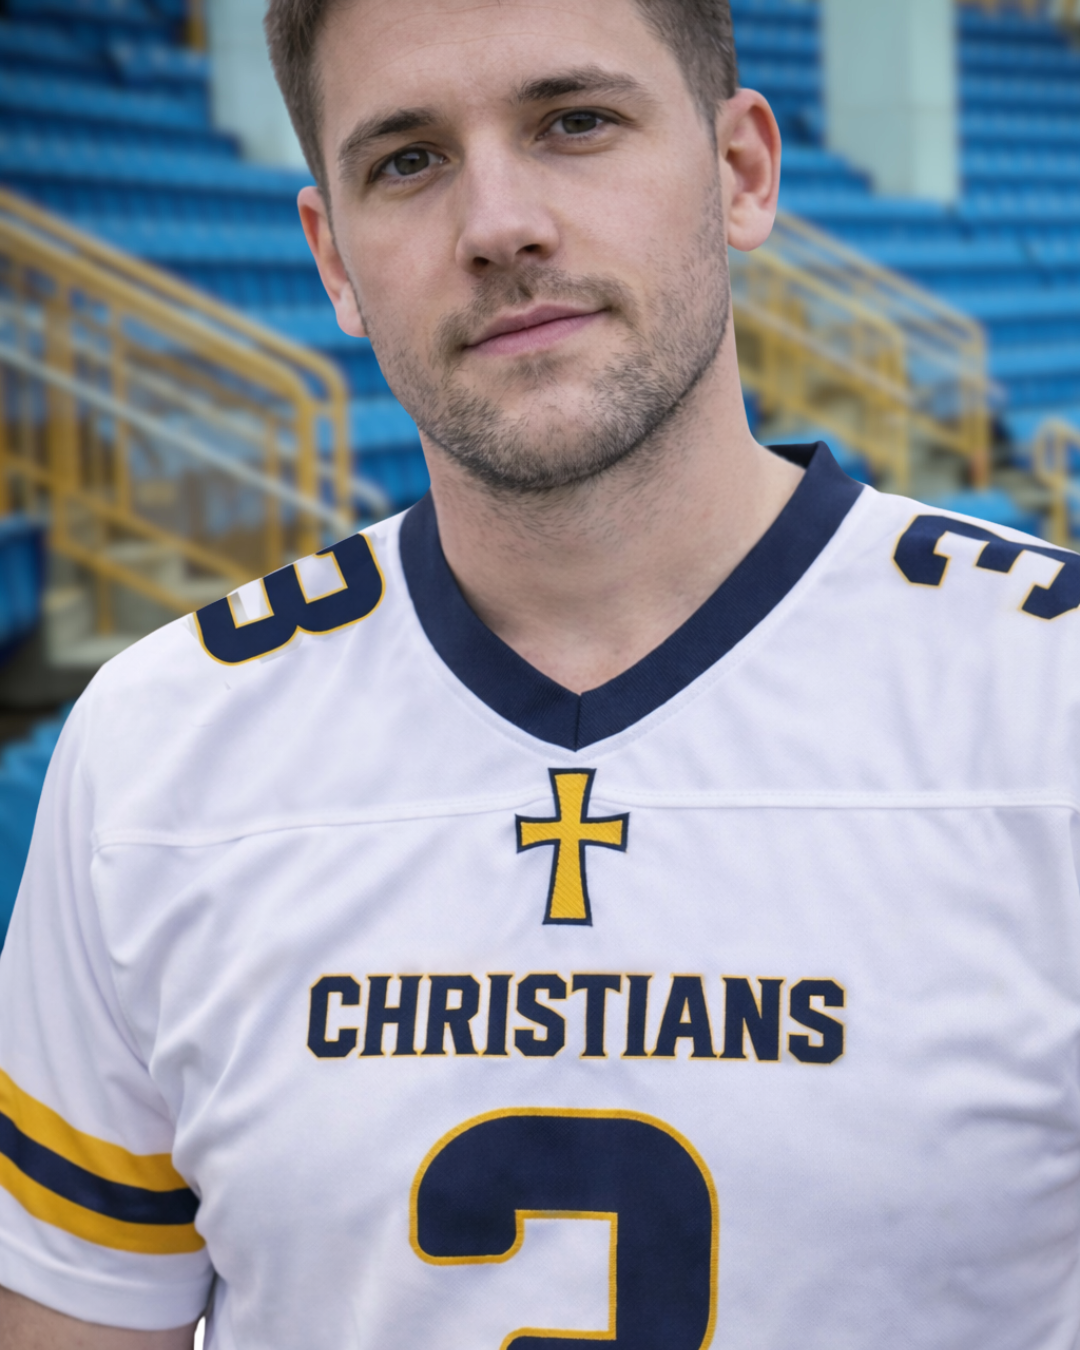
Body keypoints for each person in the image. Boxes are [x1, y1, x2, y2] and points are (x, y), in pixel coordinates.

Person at [4, 0, 1080, 1345]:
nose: (498, 223)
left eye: (576, 122)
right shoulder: (158, 750)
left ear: (742, 172)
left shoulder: (1052, 704)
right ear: (332, 259)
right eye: (407, 159)